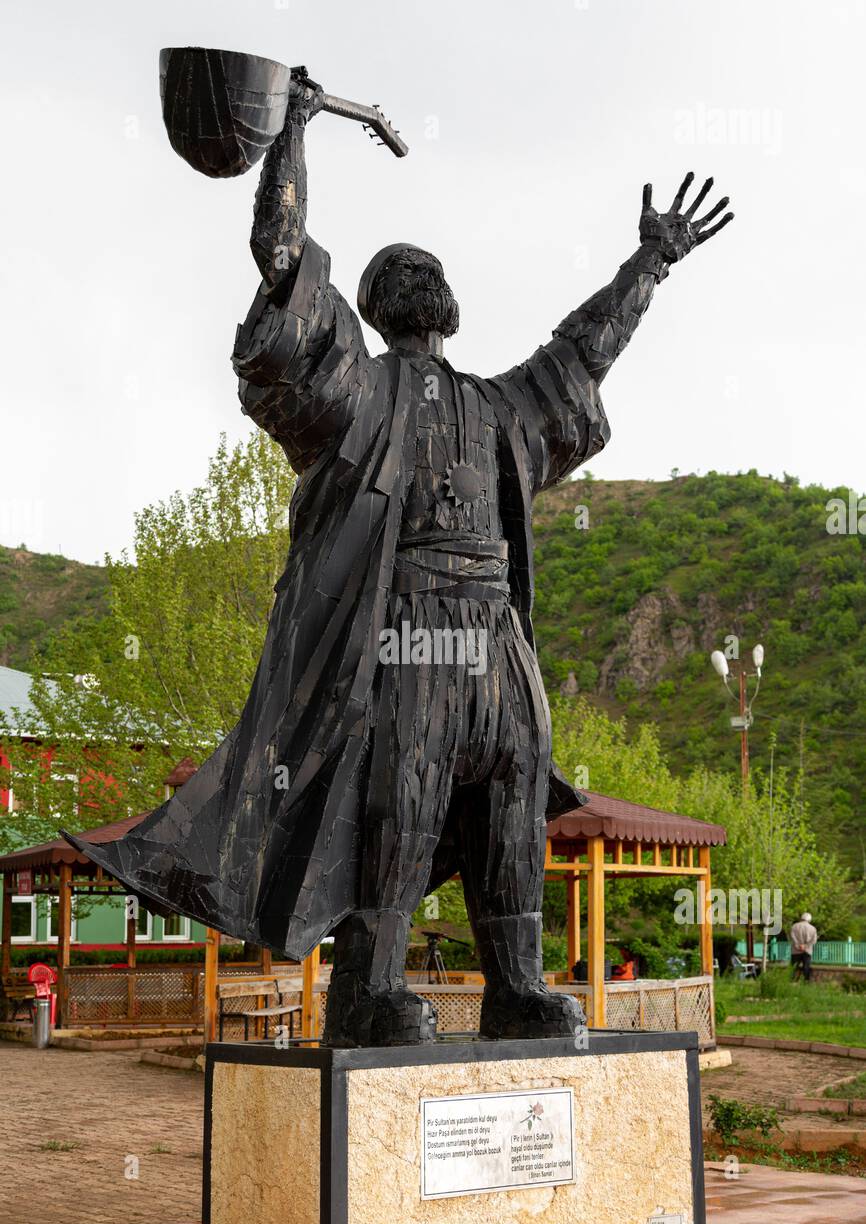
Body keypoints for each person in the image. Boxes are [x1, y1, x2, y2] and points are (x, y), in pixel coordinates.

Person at [65, 69, 733, 1046]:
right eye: (396, 270)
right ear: (375, 305)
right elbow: (280, 255)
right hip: (411, 629)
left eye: (424, 267)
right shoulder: (355, 388)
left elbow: (581, 351)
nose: (419, 275)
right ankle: (370, 987)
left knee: (513, 794)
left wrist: (649, 263)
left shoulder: (497, 407)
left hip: (496, 639)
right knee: (405, 800)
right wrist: (291, 133)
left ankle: (514, 983)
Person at [790, 912, 818, 981]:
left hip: (795, 951)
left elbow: (792, 937)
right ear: (809, 920)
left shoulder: (794, 926)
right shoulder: (813, 928)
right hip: (807, 951)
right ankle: (806, 982)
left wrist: (798, 945)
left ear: (801, 918)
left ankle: (791, 981)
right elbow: (814, 941)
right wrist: (805, 946)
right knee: (806, 967)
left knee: (793, 967)